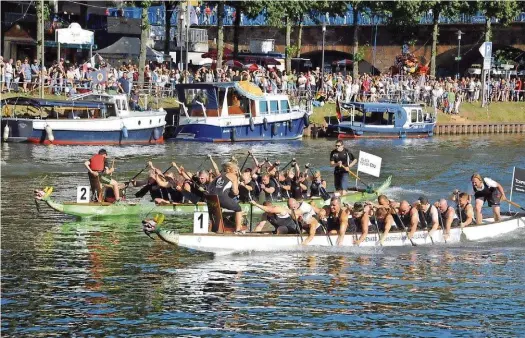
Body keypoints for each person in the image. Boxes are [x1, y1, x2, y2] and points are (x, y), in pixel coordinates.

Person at [207, 161, 243, 233]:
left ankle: (215, 230)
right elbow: (235, 192)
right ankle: (238, 230)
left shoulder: (218, 176)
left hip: (211, 198)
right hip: (221, 198)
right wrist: (237, 192)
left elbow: (209, 187)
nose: (236, 171)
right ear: (229, 169)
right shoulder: (233, 176)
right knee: (238, 208)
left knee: (219, 208)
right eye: (235, 169)